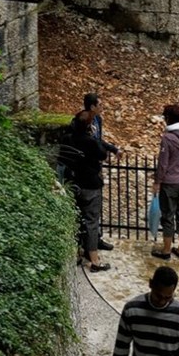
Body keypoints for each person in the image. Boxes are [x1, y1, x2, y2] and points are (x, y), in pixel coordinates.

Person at [64, 95, 116, 271]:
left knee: (79, 218)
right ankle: (94, 260)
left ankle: (80, 251)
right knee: (92, 220)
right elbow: (101, 153)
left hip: (76, 182)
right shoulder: (90, 141)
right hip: (91, 184)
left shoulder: (71, 138)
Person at [153, 102, 179, 260]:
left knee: (168, 216)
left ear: (168, 118)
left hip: (170, 183)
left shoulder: (167, 138)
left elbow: (163, 164)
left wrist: (158, 181)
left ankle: (166, 251)